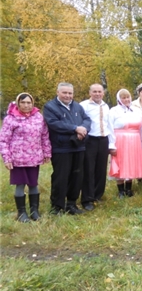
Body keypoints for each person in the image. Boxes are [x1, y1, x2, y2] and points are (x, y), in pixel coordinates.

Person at [0, 93, 51, 222]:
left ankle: (35, 211)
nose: (26, 105)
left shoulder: (38, 117)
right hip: (17, 159)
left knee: (33, 184)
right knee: (20, 185)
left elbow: (44, 136)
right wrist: (7, 158)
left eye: (29, 102)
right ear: (18, 103)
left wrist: (47, 152)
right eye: (23, 103)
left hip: (34, 158)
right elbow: (4, 140)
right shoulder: (10, 119)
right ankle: (22, 213)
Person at [43, 82, 91, 215]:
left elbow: (87, 120)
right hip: (61, 148)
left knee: (77, 176)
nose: (67, 95)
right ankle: (57, 206)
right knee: (61, 177)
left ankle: (71, 204)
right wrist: (75, 128)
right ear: (58, 92)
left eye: (70, 93)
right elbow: (54, 124)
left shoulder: (77, 106)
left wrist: (84, 129)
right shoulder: (50, 107)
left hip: (78, 146)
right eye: (64, 92)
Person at [79, 84, 114, 211]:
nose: (97, 94)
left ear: (103, 93)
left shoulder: (106, 106)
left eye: (99, 91)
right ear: (90, 92)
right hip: (90, 140)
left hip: (103, 139)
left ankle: (98, 194)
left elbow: (109, 125)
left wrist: (111, 143)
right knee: (89, 169)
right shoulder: (83, 105)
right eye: (94, 91)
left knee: (101, 168)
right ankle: (87, 198)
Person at [108, 89, 142, 198]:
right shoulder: (114, 111)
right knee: (121, 163)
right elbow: (110, 129)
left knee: (131, 163)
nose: (126, 100)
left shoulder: (136, 111)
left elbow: (141, 128)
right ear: (119, 99)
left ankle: (129, 189)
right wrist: (111, 145)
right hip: (120, 140)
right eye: (123, 98)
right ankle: (120, 190)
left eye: (128, 97)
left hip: (135, 141)